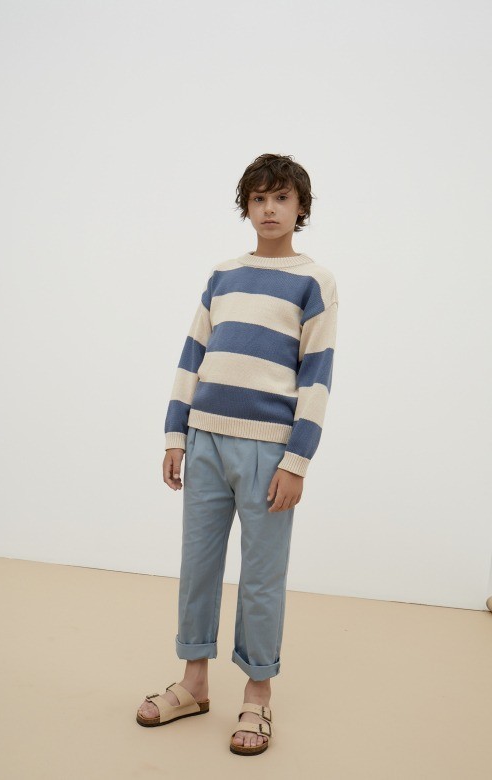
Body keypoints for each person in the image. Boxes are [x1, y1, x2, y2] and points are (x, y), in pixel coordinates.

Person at [136, 153, 339, 756]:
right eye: (258, 198)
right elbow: (192, 355)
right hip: (204, 440)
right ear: (246, 207)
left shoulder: (314, 281)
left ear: (301, 207)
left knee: (261, 577)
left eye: (282, 198)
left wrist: (297, 461)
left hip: (268, 452)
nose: (269, 209)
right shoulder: (222, 275)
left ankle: (257, 695)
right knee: (197, 565)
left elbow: (318, 376)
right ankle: (194, 684)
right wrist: (175, 435)